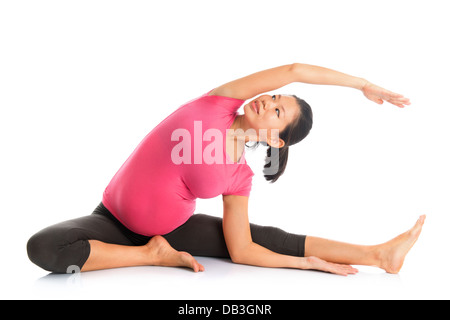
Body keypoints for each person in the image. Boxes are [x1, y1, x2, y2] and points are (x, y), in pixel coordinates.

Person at [27, 63, 425, 276]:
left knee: (269, 237)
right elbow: (294, 70)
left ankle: (379, 255)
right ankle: (151, 256)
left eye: (277, 110)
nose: (267, 102)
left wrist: (304, 264)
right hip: (111, 220)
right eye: (272, 97)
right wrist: (362, 84)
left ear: (275, 140)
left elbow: (243, 249)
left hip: (174, 229)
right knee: (44, 248)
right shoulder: (217, 102)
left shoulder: (239, 177)